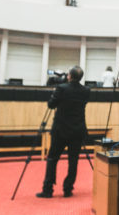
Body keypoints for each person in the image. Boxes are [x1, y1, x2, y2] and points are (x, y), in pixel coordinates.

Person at [37, 66, 90, 199]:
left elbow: (51, 105)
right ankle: (68, 189)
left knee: (52, 159)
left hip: (60, 130)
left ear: (69, 76)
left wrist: (55, 94)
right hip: (77, 130)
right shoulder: (86, 90)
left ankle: (48, 189)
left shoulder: (61, 88)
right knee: (73, 161)